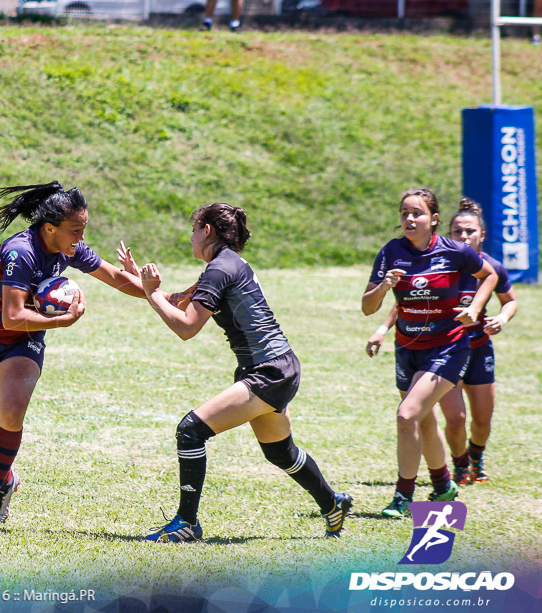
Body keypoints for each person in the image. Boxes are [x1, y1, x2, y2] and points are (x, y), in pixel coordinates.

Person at [0, 182, 187, 529]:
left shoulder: (70, 248)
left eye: (84, 229)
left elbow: (115, 277)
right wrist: (64, 321)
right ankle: (5, 478)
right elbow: (12, 316)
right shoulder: (21, 253)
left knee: (12, 409)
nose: (81, 238)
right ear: (49, 228)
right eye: (75, 230)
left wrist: (163, 296)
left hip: (23, 341)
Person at [128, 203, 352, 542]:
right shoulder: (224, 266)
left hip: (269, 371)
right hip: (275, 367)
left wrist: (151, 292)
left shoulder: (220, 269)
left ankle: (187, 522)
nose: (190, 237)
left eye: (193, 229)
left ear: (207, 231)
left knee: (191, 431)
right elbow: (178, 300)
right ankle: (332, 503)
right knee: (279, 451)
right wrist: (145, 285)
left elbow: (186, 327)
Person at [362, 188, 498, 518]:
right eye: (405, 213)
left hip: (449, 347)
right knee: (422, 421)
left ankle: (403, 495)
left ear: (433, 219)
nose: (409, 219)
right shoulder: (391, 252)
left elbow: (489, 275)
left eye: (417, 213)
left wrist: (476, 308)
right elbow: (368, 306)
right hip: (407, 349)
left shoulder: (454, 251)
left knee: (406, 414)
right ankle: (443, 486)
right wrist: (384, 286)